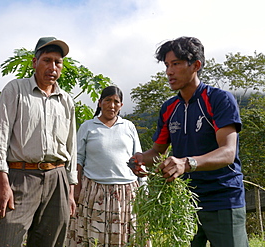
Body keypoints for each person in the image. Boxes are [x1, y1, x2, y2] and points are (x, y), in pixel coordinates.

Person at [130, 36, 249, 246]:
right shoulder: (168, 108)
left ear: (196, 65)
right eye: (167, 65)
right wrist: (140, 159)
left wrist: (187, 163)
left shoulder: (219, 100)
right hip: (185, 203)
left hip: (222, 198)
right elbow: (158, 152)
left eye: (175, 64)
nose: (169, 71)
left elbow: (228, 152)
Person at [0, 36, 77, 247]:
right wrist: (3, 183)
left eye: (58, 62)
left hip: (57, 178)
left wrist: (70, 189)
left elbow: (71, 146)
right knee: (9, 239)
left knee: (51, 240)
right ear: (34, 62)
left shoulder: (66, 100)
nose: (53, 67)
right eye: (47, 60)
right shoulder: (15, 90)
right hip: (21, 177)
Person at [67, 86, 149, 246]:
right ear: (100, 103)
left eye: (116, 102)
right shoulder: (88, 126)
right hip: (95, 191)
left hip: (126, 193)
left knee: (126, 237)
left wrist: (144, 187)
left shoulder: (128, 127)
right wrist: (76, 188)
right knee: (93, 236)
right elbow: (78, 159)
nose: (112, 105)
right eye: (108, 100)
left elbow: (139, 158)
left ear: (121, 105)